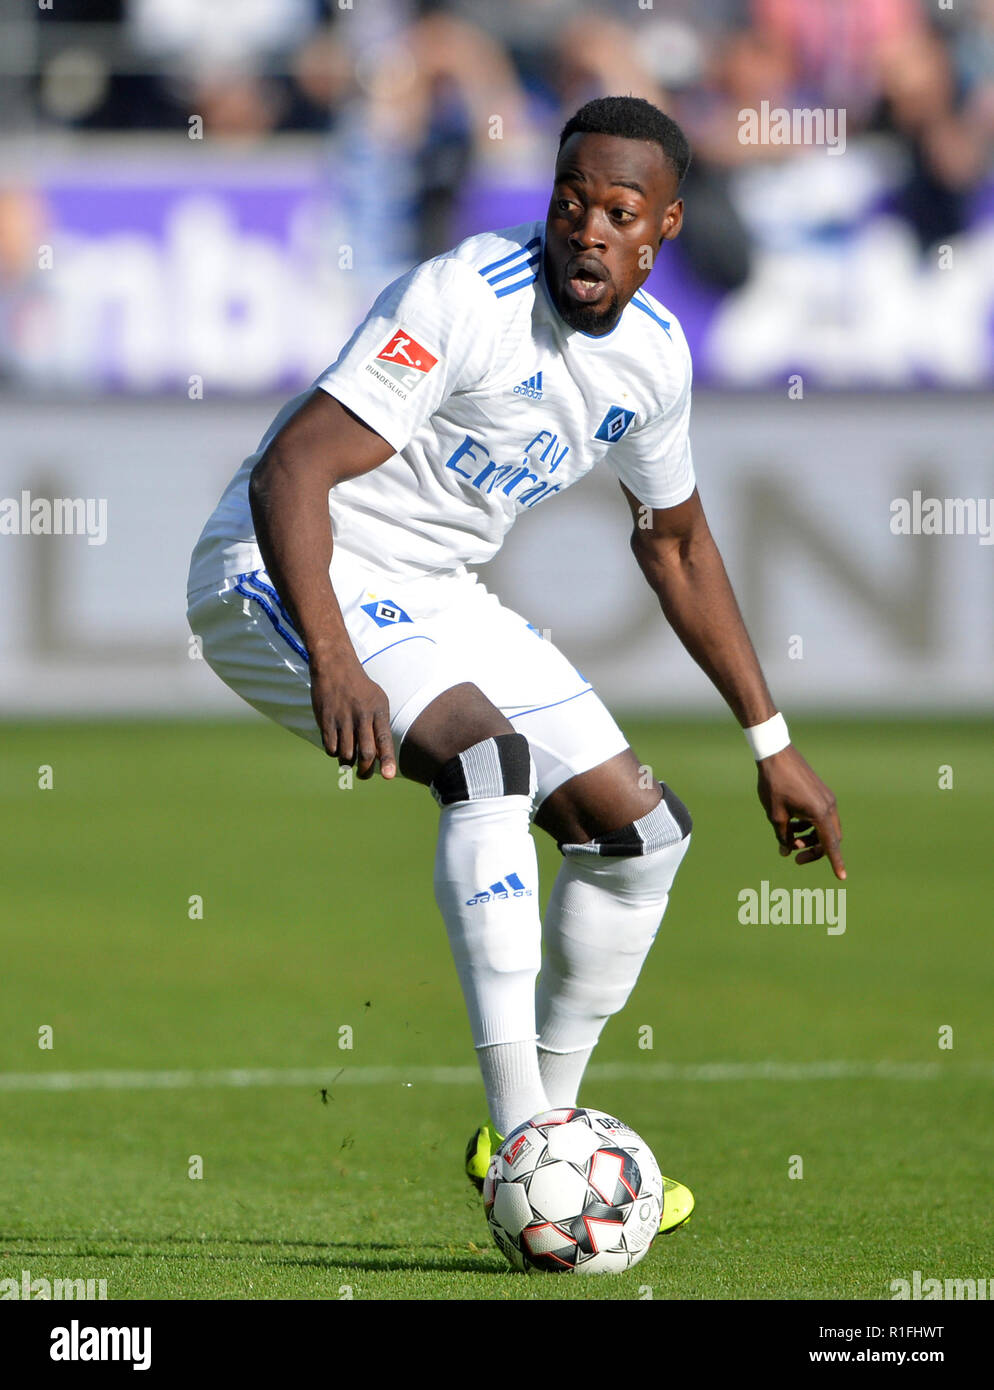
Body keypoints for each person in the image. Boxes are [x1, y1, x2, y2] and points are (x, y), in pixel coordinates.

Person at [186, 95, 845, 1242]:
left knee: (643, 835)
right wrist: (333, 656)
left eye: (619, 212)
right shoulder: (464, 298)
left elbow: (676, 545)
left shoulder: (653, 360)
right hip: (285, 566)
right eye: (569, 200)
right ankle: (530, 1137)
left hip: (433, 591)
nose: (587, 229)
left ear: (665, 227)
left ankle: (532, 1134)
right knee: (485, 760)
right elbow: (290, 469)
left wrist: (771, 742)